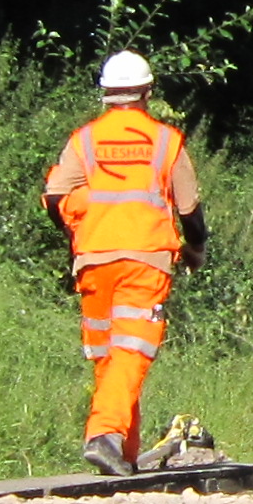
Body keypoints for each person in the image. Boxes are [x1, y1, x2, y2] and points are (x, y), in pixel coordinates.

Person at [44, 50, 205, 476]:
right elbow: (189, 209)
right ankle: (104, 434)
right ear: (147, 92)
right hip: (145, 260)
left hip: (94, 259)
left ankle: (123, 456)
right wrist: (196, 248)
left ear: (105, 94)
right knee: (132, 352)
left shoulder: (84, 141)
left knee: (109, 357)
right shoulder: (167, 141)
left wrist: (76, 238)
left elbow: (56, 197)